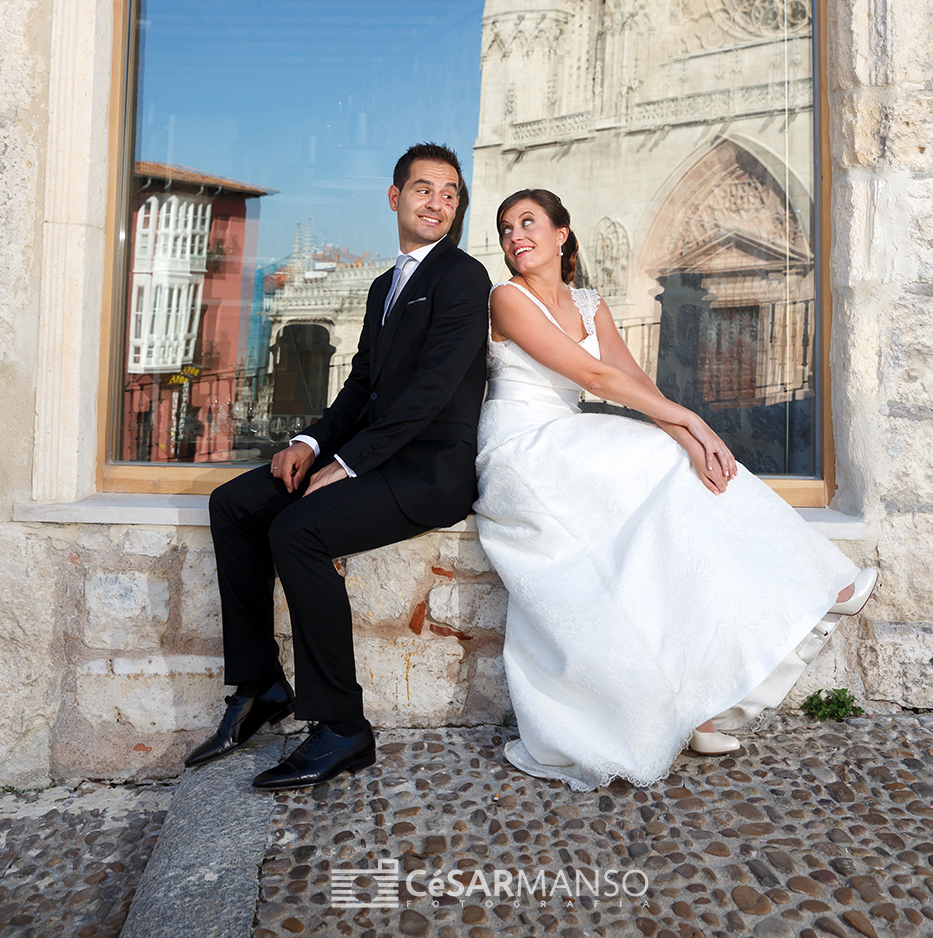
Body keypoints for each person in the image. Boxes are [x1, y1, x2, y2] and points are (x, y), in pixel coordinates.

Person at [473, 188, 877, 791]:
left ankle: (699, 702)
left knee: (677, 492)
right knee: (663, 461)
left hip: (567, 437)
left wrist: (685, 431)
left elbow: (631, 373)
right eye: (506, 228)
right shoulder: (506, 298)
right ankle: (821, 579)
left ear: (562, 234)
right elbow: (592, 376)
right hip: (520, 446)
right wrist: (687, 422)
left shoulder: (588, 301)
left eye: (528, 222)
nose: (515, 236)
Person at [186, 144, 491, 790]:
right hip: (375, 461)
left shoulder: (463, 279)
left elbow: (429, 393)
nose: (437, 202)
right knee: (235, 505)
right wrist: (310, 442)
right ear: (394, 197)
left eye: (449, 194)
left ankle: (342, 727)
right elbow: (360, 391)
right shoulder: (386, 285)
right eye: (423, 189)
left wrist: (350, 464)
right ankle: (261, 685)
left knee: (298, 530)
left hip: (427, 473)